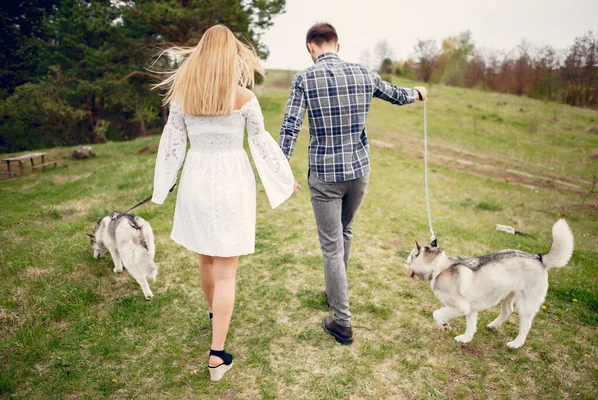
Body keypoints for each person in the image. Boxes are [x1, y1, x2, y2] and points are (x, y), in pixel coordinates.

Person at [151, 24, 300, 381]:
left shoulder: (182, 96)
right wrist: (285, 178)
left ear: (201, 53)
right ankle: (217, 356)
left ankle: (214, 313)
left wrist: (166, 183)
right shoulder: (244, 98)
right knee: (226, 271)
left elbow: (171, 145)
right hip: (232, 182)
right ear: (232, 55)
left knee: (206, 255)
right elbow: (260, 142)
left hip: (197, 181)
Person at [278, 22, 427, 345]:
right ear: (338, 46)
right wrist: (417, 93)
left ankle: (341, 321)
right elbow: (397, 95)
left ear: (310, 48)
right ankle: (336, 290)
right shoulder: (362, 73)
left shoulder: (304, 78)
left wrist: (279, 168)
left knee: (332, 245)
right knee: (344, 232)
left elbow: (291, 126)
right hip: (358, 173)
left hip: (325, 176)